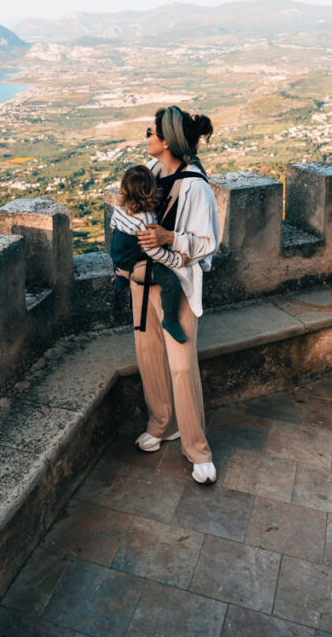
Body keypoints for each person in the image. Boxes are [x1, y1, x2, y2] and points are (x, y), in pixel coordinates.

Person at [131, 105, 220, 484]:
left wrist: (170, 237)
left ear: (167, 140)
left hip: (178, 285)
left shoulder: (196, 186)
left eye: (150, 132)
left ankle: (198, 449)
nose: (146, 137)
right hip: (143, 280)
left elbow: (208, 242)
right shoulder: (152, 173)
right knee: (150, 357)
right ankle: (163, 424)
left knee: (182, 366)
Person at [110, 164, 189, 343]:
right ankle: (170, 320)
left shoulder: (119, 208)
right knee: (171, 282)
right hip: (137, 269)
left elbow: (113, 226)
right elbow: (154, 252)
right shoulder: (147, 219)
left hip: (118, 262)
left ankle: (120, 277)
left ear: (123, 190)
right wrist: (177, 260)